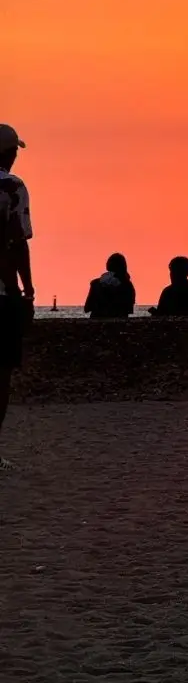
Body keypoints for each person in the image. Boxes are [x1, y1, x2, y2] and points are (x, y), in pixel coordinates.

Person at [0, 124, 34, 472]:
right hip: (2, 293)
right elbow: (19, 243)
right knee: (1, 374)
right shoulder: (12, 187)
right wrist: (28, 291)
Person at [84, 253, 136, 318]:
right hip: (119, 324)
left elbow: (87, 308)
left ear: (108, 265)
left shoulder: (95, 283)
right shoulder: (127, 285)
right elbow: (129, 309)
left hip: (97, 323)